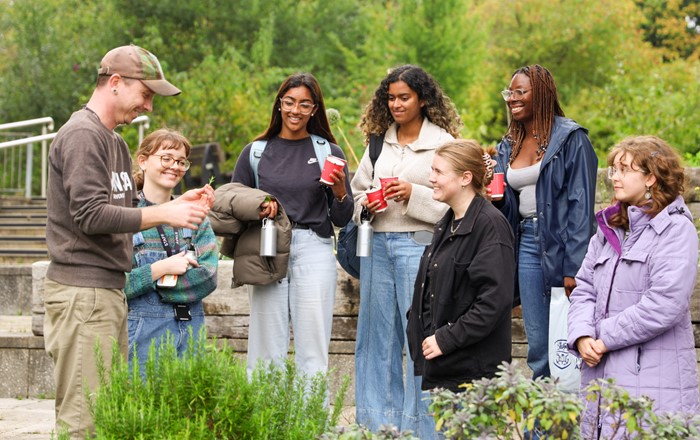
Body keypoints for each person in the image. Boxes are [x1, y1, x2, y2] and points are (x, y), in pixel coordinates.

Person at [43, 45, 214, 438]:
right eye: (147, 94)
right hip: (81, 293)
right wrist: (163, 214)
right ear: (116, 83)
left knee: (105, 414)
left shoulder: (115, 143)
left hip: (107, 293)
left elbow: (125, 213)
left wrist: (178, 203)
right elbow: (90, 216)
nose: (149, 107)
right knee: (82, 420)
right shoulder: (83, 135)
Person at [351, 64, 462, 438]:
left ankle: (427, 431)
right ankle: (376, 428)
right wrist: (368, 204)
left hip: (421, 248)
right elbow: (356, 195)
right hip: (377, 247)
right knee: (376, 339)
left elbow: (454, 204)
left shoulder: (443, 143)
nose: (396, 104)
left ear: (423, 99)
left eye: (404, 97)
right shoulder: (378, 142)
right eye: (391, 97)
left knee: (422, 340)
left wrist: (412, 194)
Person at [568, 135, 699, 438]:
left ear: (651, 177)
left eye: (625, 169)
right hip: (600, 375)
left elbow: (664, 304)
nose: (615, 176)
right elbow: (584, 286)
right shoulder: (610, 227)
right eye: (614, 168)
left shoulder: (676, 230)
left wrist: (602, 339)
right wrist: (582, 335)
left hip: (652, 381)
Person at [230, 73, 353, 379]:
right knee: (265, 348)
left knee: (312, 348)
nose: (295, 110)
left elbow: (342, 218)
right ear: (279, 104)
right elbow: (232, 200)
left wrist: (340, 193)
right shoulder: (256, 152)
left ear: (315, 109)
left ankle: (311, 425)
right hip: (268, 246)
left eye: (304, 104)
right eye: (289, 102)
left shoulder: (328, 152)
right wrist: (259, 206)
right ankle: (264, 425)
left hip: (314, 248)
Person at [493, 64, 597, 381]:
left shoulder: (571, 138)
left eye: (520, 91)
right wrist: (498, 197)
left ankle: (574, 423)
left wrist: (574, 268)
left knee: (567, 343)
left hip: (562, 245)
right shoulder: (509, 143)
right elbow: (510, 205)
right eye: (509, 92)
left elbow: (582, 205)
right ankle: (539, 429)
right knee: (538, 345)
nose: (512, 98)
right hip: (525, 243)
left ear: (542, 93)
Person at [406, 139, 515, 394]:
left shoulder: (490, 226)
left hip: (476, 378)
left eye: (438, 172)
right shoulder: (447, 223)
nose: (431, 178)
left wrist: (446, 339)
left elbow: (493, 302)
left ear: (466, 177)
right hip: (448, 369)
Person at [125, 128, 219, 375]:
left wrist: (150, 282)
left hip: (190, 327)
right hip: (143, 328)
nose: (174, 166)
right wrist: (161, 269)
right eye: (166, 158)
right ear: (143, 161)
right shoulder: (125, 215)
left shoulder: (194, 213)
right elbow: (117, 285)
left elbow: (208, 276)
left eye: (180, 161)